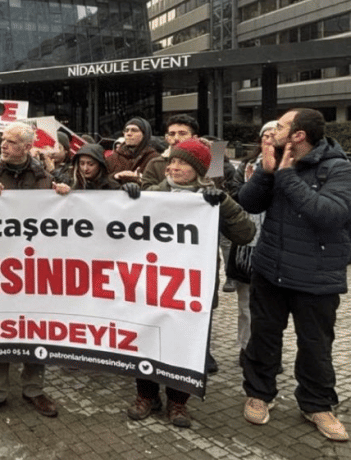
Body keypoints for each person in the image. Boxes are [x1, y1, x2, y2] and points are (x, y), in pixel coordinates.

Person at [239, 108, 351, 441]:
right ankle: (259, 394)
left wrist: (285, 176)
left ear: (298, 135)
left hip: (317, 278)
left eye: (281, 127)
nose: (272, 132)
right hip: (270, 271)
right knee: (263, 339)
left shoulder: (340, 168)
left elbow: (328, 214)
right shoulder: (272, 163)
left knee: (316, 347)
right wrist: (265, 173)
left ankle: (317, 404)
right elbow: (249, 203)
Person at [127, 138, 255, 428]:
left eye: (181, 163)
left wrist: (223, 204)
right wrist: (129, 198)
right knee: (146, 340)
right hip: (152, 283)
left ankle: (178, 402)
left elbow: (245, 233)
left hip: (192, 289)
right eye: (171, 162)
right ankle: (146, 395)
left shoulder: (212, 199)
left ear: (198, 169)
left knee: (185, 344)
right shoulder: (152, 195)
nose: (172, 167)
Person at [0, 121, 70, 421]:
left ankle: (33, 389)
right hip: (0, 268)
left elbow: (58, 221)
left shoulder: (45, 178)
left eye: (13, 141)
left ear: (28, 148)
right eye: (4, 139)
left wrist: (67, 197)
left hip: (34, 269)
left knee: (35, 329)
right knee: (0, 330)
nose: (4, 145)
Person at [229, 121, 275, 369]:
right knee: (245, 304)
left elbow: (218, 178)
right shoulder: (247, 165)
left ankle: (267, 351)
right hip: (245, 243)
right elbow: (231, 192)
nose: (268, 139)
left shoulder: (291, 166)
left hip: (272, 242)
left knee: (270, 309)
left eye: (273, 135)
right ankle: (245, 348)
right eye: (264, 135)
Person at [141, 114, 199, 189]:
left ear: (194, 138)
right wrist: (169, 182)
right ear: (167, 138)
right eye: (172, 134)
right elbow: (146, 194)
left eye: (182, 134)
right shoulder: (155, 164)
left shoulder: (207, 163)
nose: (176, 138)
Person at [106, 117, 160, 185]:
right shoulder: (112, 158)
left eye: (134, 130)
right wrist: (115, 176)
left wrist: (141, 178)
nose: (129, 134)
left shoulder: (155, 159)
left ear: (145, 134)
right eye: (126, 130)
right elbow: (101, 181)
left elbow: (159, 184)